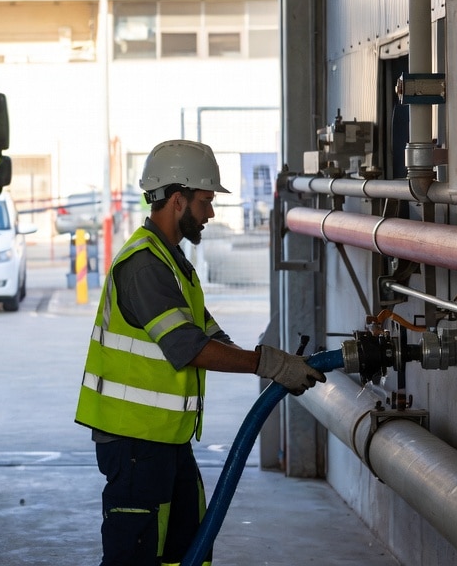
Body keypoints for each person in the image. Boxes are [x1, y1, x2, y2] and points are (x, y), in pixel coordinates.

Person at [74, 139, 325, 566]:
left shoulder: (171, 262)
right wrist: (267, 364)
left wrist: (274, 362)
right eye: (206, 201)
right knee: (136, 556)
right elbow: (188, 348)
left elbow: (208, 332)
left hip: (165, 438)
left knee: (187, 549)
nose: (210, 213)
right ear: (177, 199)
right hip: (135, 444)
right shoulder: (145, 266)